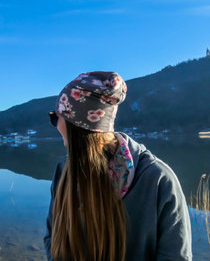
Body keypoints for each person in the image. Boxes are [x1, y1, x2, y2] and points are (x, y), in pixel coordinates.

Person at [43, 71, 192, 261]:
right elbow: (51, 237)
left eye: (56, 117)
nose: (55, 125)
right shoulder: (63, 170)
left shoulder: (158, 181)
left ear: (76, 126)